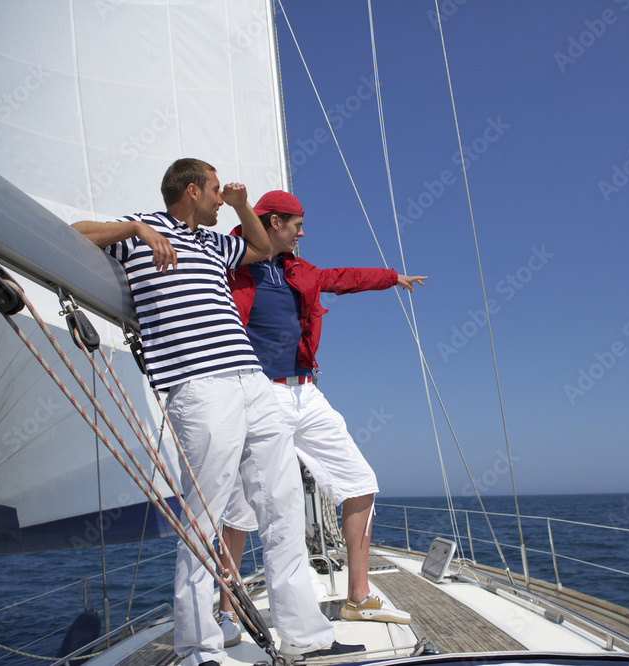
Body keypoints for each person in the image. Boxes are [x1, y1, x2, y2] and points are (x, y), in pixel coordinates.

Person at [73, 162, 361, 666]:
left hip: (251, 380)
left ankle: (305, 637)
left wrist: (241, 203)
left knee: (283, 505)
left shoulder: (211, 244)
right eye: (213, 190)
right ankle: (198, 649)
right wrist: (138, 229)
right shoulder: (142, 228)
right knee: (204, 518)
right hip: (198, 385)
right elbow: (77, 235)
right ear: (190, 190)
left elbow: (263, 247)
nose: (217, 199)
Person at [214, 190, 425, 642]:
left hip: (306, 394)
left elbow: (343, 277)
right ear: (272, 223)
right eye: (297, 224)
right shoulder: (230, 265)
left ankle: (358, 599)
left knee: (359, 481)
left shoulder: (301, 271)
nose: (303, 232)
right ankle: (225, 610)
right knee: (242, 509)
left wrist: (391, 278)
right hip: (256, 394)